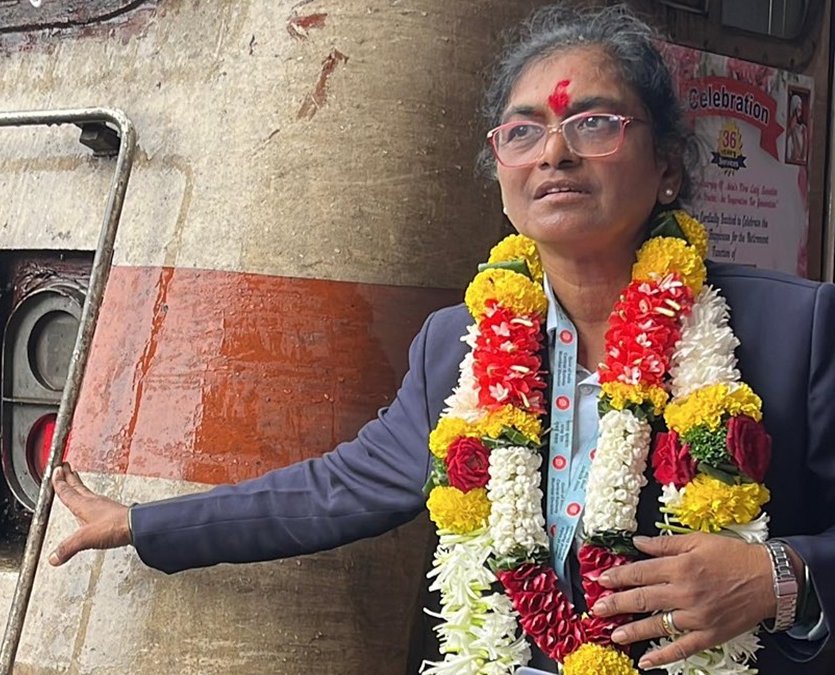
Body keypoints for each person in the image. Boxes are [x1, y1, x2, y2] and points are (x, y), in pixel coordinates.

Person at [48, 5, 834, 673]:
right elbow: (337, 488)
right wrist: (141, 525)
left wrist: (781, 576)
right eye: (523, 132)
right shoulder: (458, 344)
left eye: (592, 122)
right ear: (501, 172)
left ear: (665, 165)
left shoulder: (792, 331)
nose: (554, 152)